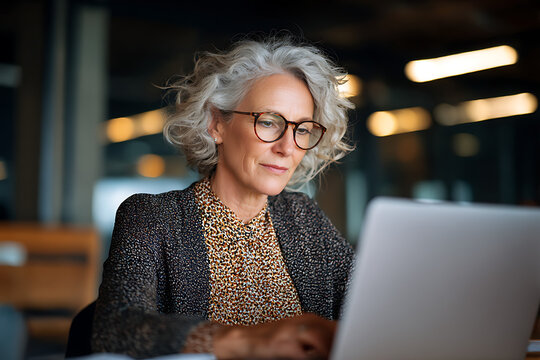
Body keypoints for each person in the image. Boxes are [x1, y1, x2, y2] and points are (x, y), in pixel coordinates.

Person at [92, 35, 355, 359]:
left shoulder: (305, 218)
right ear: (216, 123)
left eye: (302, 129)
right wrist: (248, 343)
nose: (287, 147)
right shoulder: (153, 218)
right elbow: (115, 330)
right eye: (270, 122)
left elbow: (373, 309)